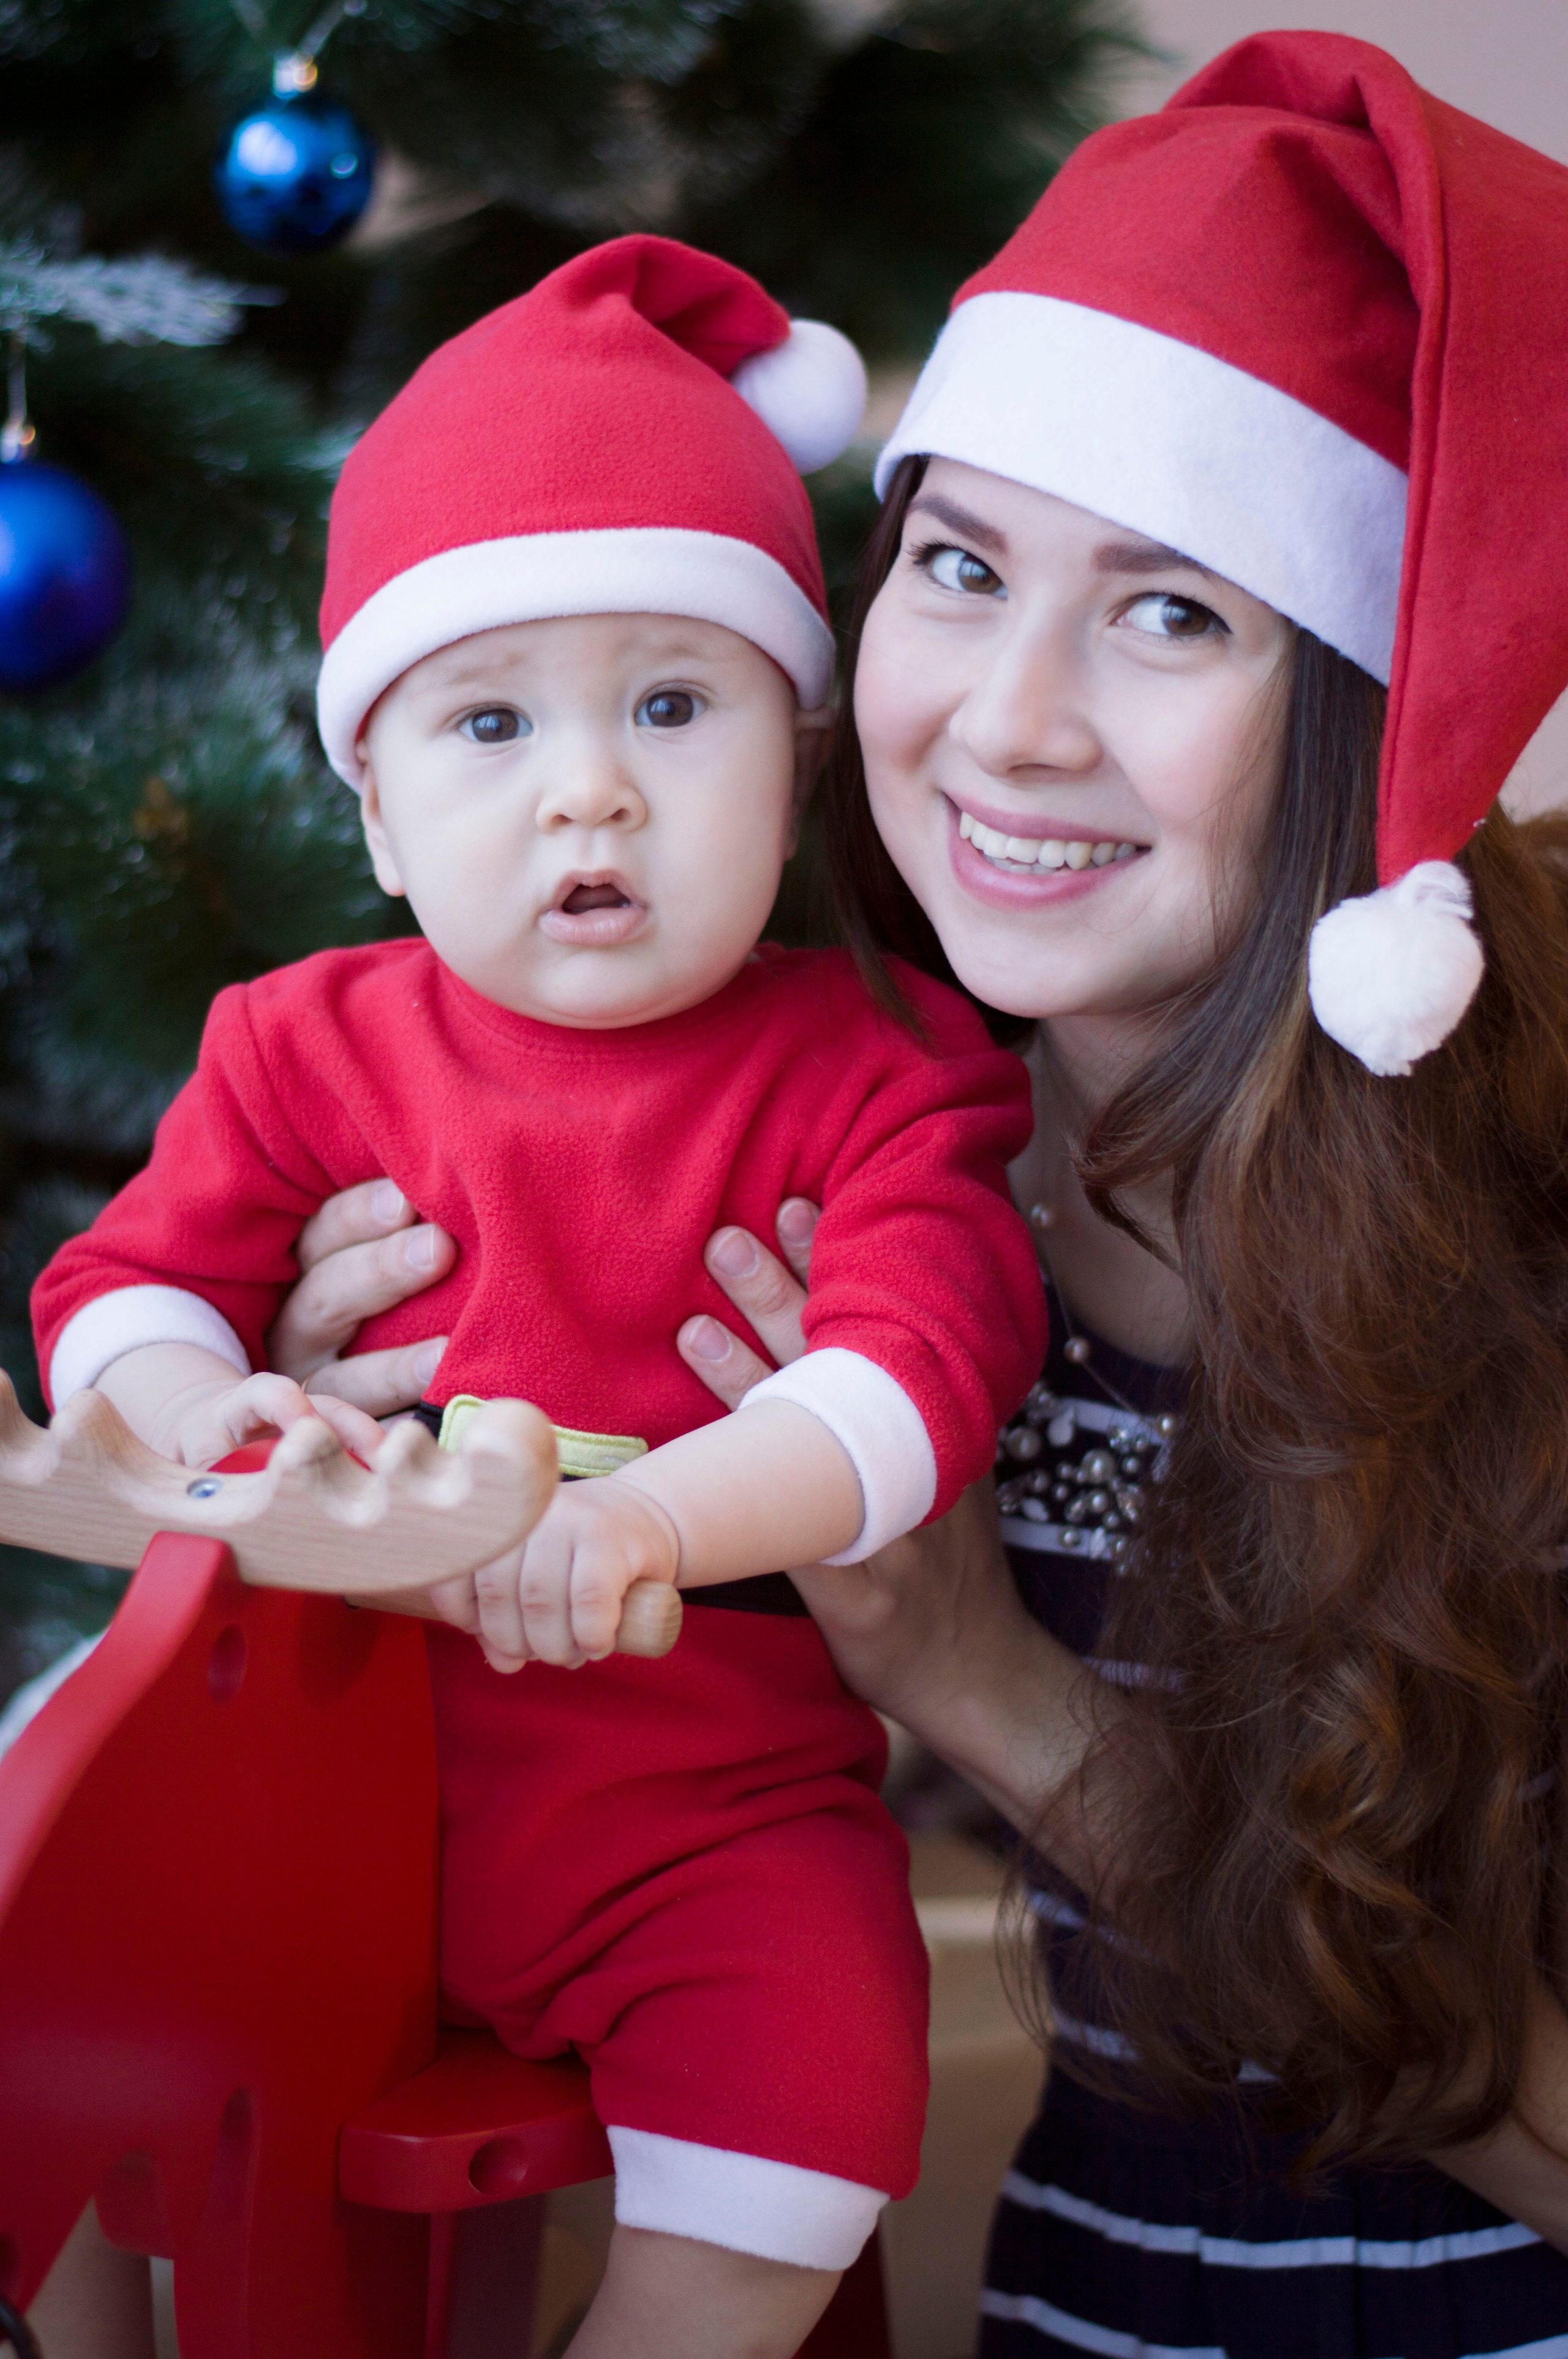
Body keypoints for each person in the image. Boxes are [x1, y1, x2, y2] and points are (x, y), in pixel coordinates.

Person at [262, 31, 1568, 2357]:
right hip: (1077, 2315)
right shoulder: (860, 1137)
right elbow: (658, 1828)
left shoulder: (1526, 1218)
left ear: (1362, 703)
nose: (1008, 721)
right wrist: (357, 1466)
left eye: (1175, 610)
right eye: (960, 568)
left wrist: (976, 1675)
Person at [26, 236, 1046, 2358]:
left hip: (689, 1799)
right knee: (78, 1951)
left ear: (796, 751)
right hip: (311, 1761)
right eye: (489, 721)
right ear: (379, 812)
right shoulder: (301, 1043)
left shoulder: (879, 1063)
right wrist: (223, 1414)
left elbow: (916, 1369)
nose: (590, 787)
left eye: (673, 704)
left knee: (819, 2072)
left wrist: (652, 1519)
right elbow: (121, 1287)